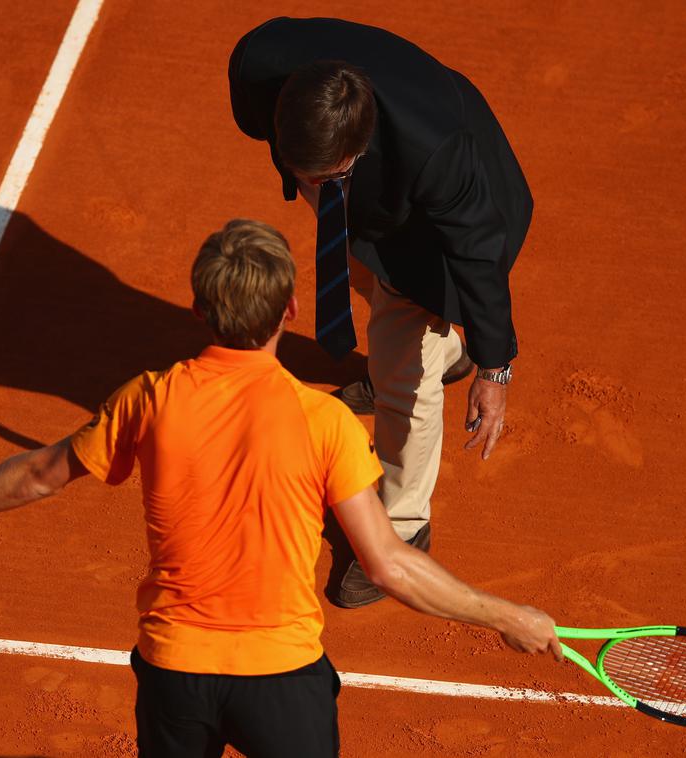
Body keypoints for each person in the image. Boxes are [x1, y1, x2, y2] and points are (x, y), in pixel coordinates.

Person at [0, 220, 561, 758]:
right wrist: (503, 616)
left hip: (175, 675)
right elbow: (387, 565)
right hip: (282, 682)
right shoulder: (329, 423)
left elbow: (39, 474)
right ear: (290, 310)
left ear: (200, 311)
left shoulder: (151, 399)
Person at [228, 17, 535, 607]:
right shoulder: (260, 67)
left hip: (444, 228)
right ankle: (448, 352)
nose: (316, 189)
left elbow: (477, 255)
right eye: (304, 175)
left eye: (332, 177)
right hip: (378, 203)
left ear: (360, 150)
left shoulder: (438, 155)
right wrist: (323, 186)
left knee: (403, 375)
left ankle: (402, 527)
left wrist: (497, 369)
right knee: (361, 272)